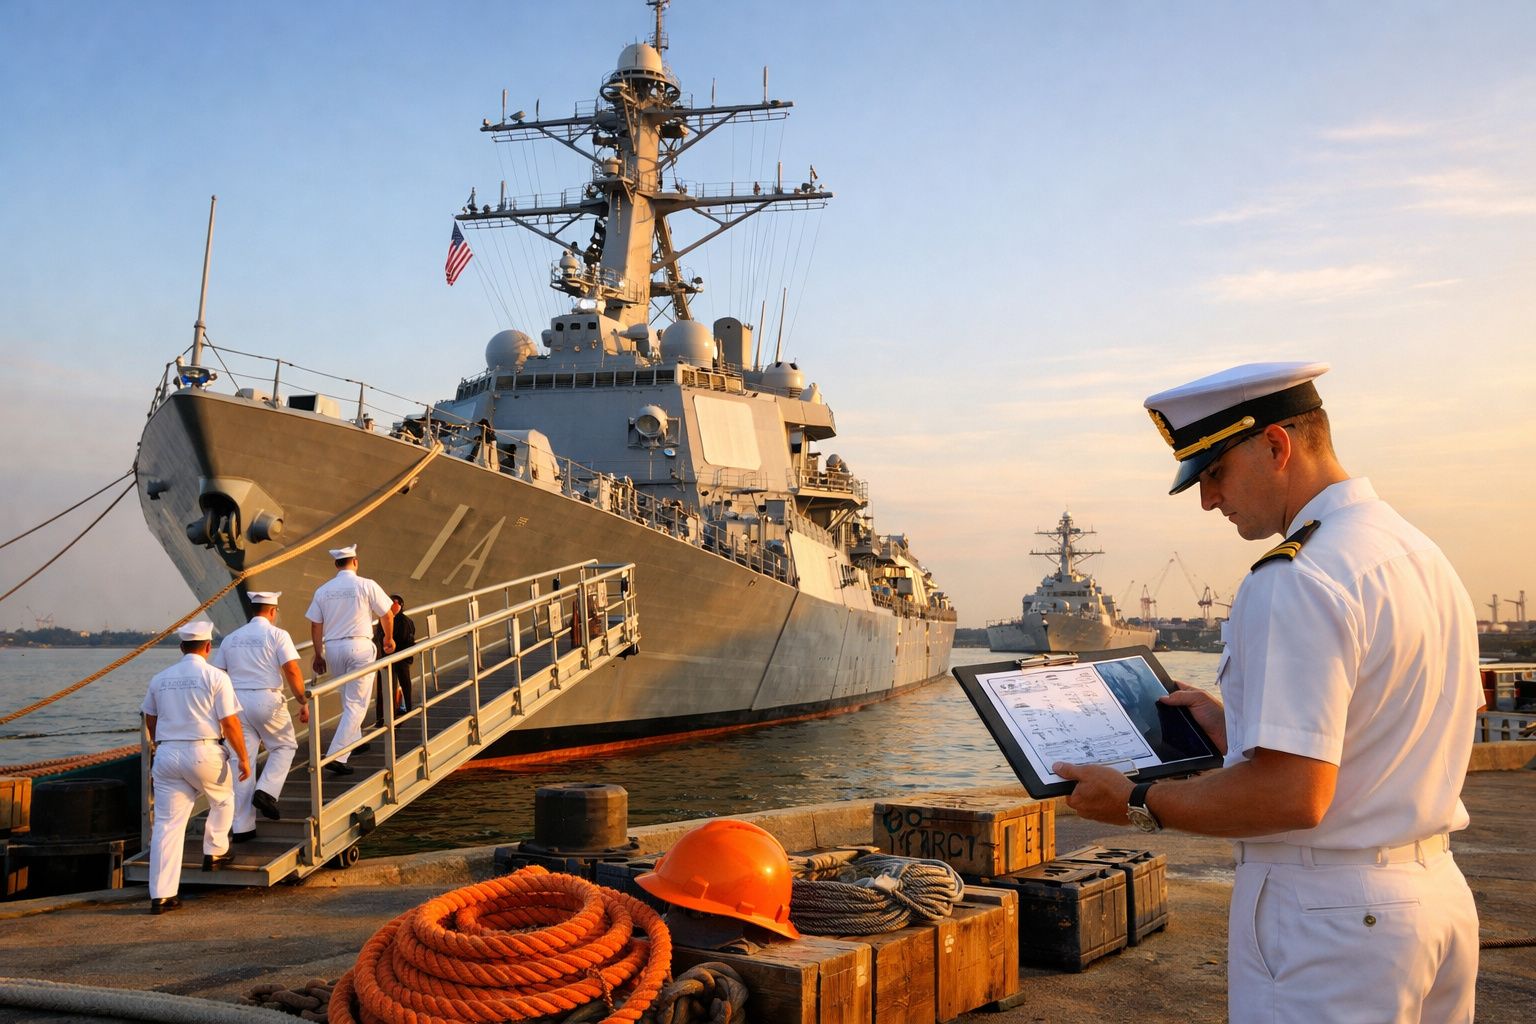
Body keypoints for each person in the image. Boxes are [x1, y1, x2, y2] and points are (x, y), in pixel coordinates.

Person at [1053, 362, 1482, 1022]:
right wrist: (1238, 728)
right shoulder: (1418, 556)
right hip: (1435, 903)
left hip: (1332, 924)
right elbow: (1406, 726)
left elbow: (1293, 795)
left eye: (1215, 472)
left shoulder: (1296, 578)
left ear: (1277, 446)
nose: (1207, 499)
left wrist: (1135, 801)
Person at [140, 620, 250, 915]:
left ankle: (161, 896)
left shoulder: (160, 678)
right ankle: (214, 851)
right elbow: (230, 722)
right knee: (224, 799)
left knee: (166, 826)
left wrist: (157, 744)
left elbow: (150, 716)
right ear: (207, 647)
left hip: (166, 753)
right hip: (204, 751)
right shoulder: (216, 677)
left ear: (181, 647)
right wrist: (244, 757)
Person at [211, 591, 309, 839]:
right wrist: (302, 700)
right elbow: (292, 669)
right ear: (273, 611)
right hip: (266, 699)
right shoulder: (277, 635)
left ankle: (242, 827)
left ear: (253, 610)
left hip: (236, 702)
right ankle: (266, 790)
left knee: (242, 762)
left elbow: (218, 675)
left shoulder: (231, 639)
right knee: (285, 746)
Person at [307, 544, 394, 777]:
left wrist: (318, 654)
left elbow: (316, 625)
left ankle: (355, 742)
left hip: (333, 647)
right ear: (355, 562)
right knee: (357, 704)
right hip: (360, 646)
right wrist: (388, 638)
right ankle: (336, 755)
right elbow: (387, 613)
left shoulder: (323, 590)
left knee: (347, 697)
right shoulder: (366, 585)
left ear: (336, 564)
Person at [372, 594, 416, 726]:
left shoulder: (404, 621)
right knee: (386, 689)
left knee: (398, 687)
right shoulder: (386, 620)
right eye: (391, 602)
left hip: (398, 660)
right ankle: (383, 717)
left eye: (396, 603)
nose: (393, 605)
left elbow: (408, 641)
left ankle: (398, 713)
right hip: (389, 660)